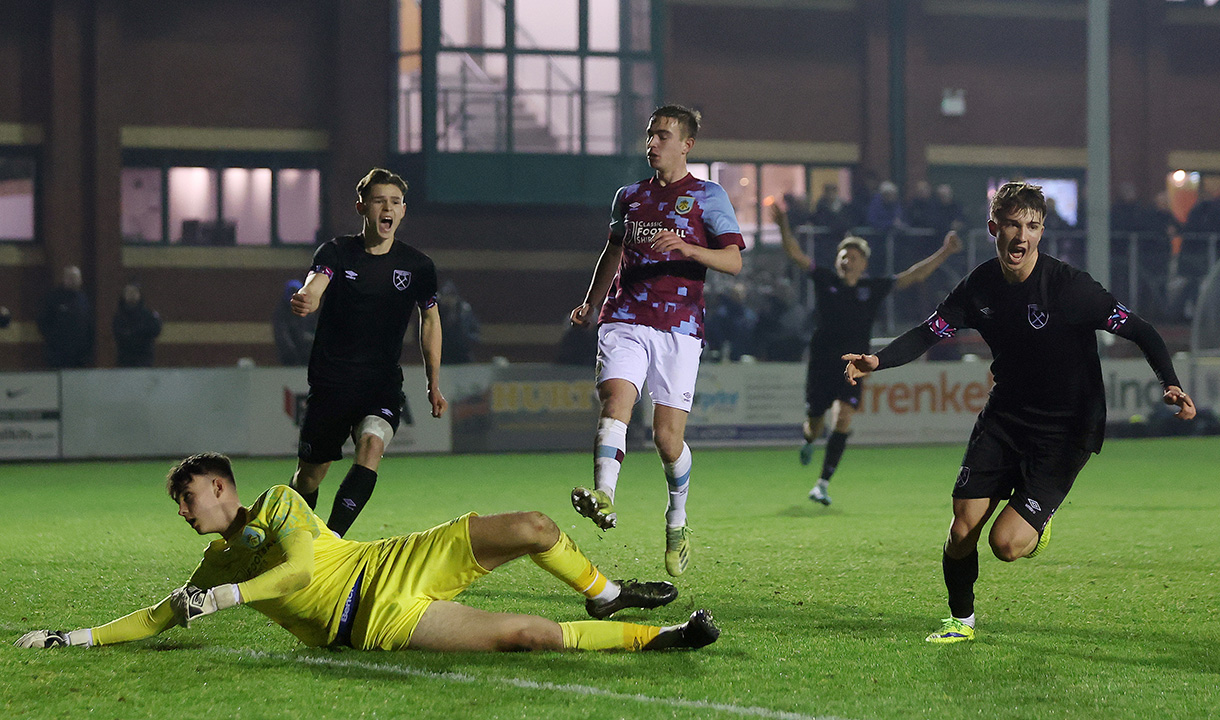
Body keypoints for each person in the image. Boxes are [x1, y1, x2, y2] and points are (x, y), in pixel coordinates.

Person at [842, 182, 1196, 644]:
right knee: (963, 522)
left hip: (1067, 428)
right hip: (1007, 414)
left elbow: (1142, 331)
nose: (1021, 235)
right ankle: (961, 622)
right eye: (1012, 224)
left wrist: (1169, 381)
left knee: (1005, 545)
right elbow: (928, 332)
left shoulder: (1070, 288)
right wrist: (878, 360)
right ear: (995, 228)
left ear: (1042, 232)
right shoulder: (980, 286)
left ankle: (1038, 520)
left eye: (1031, 226)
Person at [14, 453, 718, 653]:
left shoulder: (280, 506)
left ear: (222, 488)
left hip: (389, 564)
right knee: (528, 635)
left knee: (533, 525)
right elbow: (155, 618)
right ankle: (658, 639)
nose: (182, 510)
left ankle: (600, 588)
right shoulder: (216, 565)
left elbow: (296, 572)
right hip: (371, 625)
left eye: (188, 496)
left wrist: (224, 599)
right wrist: (71, 637)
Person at [568, 104, 745, 577]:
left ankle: (677, 518)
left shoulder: (708, 196)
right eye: (650, 135)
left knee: (667, 441)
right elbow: (614, 250)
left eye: (663, 135)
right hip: (624, 316)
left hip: (681, 326)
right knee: (616, 400)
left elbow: (733, 262)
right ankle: (604, 493)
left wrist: (689, 248)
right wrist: (590, 303)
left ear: (686, 144)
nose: (653, 143)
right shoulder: (628, 197)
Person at [287, 168, 447, 538]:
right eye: (379, 201)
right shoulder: (337, 251)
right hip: (332, 380)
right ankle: (290, 533)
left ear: (403, 211)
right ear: (362, 207)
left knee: (372, 444)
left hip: (380, 383)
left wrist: (432, 383)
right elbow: (317, 281)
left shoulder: (418, 266)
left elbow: (431, 322)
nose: (387, 208)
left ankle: (332, 541)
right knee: (310, 476)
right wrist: (308, 298)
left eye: (394, 202)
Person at [773, 203, 962, 506]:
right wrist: (783, 224)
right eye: (844, 255)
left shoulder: (873, 288)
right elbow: (795, 254)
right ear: (838, 261)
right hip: (821, 363)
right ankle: (808, 439)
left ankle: (822, 484)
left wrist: (945, 252)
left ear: (864, 263)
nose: (848, 259)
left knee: (844, 417)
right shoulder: (825, 279)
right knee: (815, 423)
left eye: (854, 256)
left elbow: (913, 276)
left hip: (854, 364)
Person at [37, 265, 93, 368]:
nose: (73, 280)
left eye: (75, 277)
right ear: (64, 279)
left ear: (80, 280)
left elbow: (89, 325)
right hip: (58, 355)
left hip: (79, 356)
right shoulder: (54, 298)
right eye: (70, 277)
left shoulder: (84, 299)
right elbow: (43, 322)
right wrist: (53, 341)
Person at [112, 282, 162, 367]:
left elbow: (155, 330)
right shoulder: (119, 316)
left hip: (145, 361)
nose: (131, 294)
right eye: (128, 292)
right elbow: (120, 336)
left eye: (134, 291)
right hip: (125, 362)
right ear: (124, 295)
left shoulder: (148, 315)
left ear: (139, 294)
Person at [272, 279, 317, 366]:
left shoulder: (307, 311)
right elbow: (282, 335)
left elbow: (312, 329)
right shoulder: (282, 313)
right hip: (290, 358)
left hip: (307, 356)